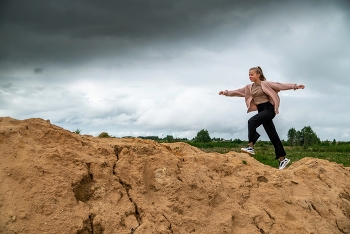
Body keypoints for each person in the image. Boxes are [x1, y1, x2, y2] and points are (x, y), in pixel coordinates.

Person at [219, 66, 305, 169]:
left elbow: (279, 85)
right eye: (249, 75)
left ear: (258, 75)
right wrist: (226, 93)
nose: (250, 76)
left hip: (268, 109)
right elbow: (238, 91)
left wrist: (295, 86)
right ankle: (282, 159)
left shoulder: (266, 84)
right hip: (261, 110)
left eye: (252, 74)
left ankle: (251, 146)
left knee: (251, 121)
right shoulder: (249, 87)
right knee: (272, 134)